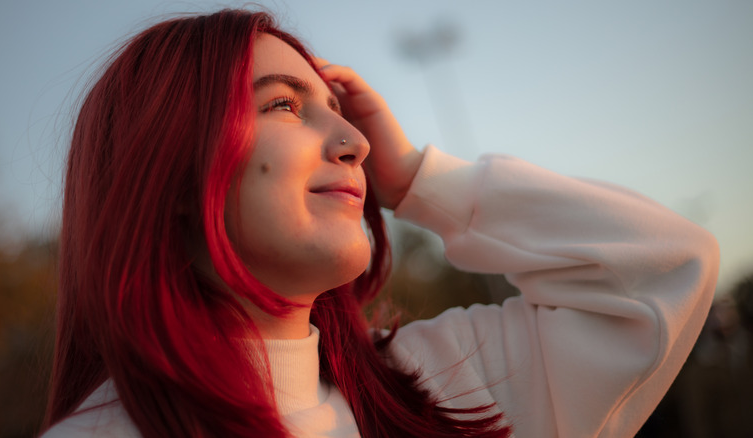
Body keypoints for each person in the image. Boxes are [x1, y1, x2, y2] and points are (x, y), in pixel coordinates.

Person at [40, 8, 719, 438]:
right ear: (170, 169)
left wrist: (418, 177)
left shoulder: (449, 383)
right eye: (283, 105)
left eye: (339, 110)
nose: (356, 142)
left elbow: (664, 266)